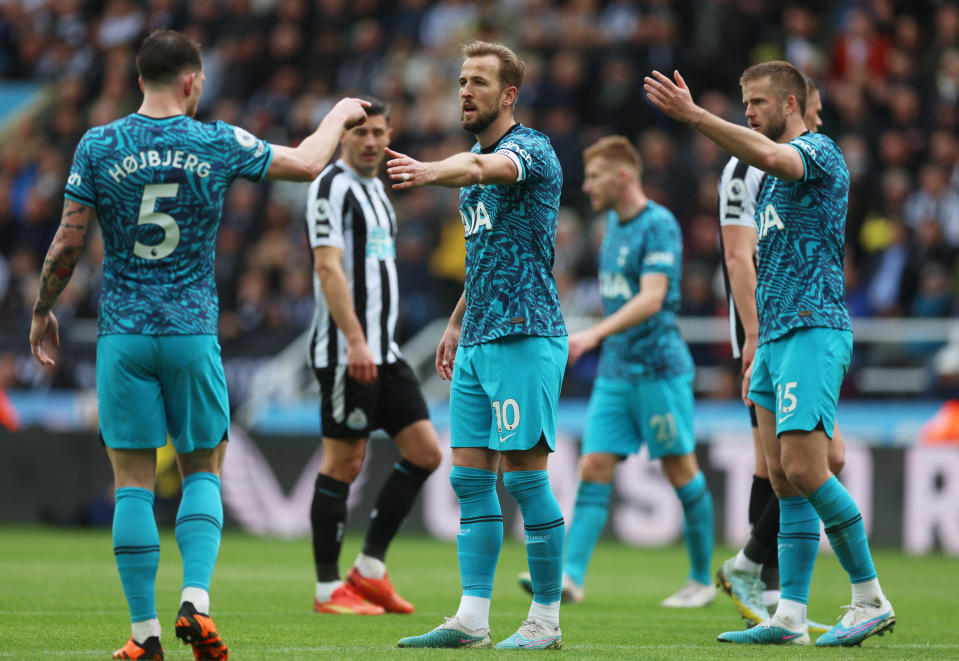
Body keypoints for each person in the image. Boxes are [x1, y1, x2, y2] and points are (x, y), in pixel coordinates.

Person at [28, 29, 367, 661]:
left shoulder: (99, 144)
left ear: (138, 81)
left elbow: (67, 243)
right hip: (190, 332)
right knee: (201, 468)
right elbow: (306, 161)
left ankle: (143, 636)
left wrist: (44, 308)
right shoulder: (216, 139)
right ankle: (196, 603)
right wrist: (342, 112)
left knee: (131, 481)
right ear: (191, 82)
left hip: (122, 335)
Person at [645, 61, 895, 647]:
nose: (749, 112)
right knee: (783, 480)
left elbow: (776, 157)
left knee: (810, 468)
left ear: (790, 104)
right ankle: (790, 617)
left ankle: (869, 596)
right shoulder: (769, 181)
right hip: (776, 337)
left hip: (813, 328)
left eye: (757, 103)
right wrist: (755, 338)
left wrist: (695, 116)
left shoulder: (819, 153)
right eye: (745, 103)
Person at [386, 41, 567, 650]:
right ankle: (472, 619)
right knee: (470, 481)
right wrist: (457, 321)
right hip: (479, 339)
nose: (465, 91)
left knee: (524, 479)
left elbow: (488, 170)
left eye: (479, 83)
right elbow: (487, 255)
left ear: (509, 94)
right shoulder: (471, 163)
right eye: (462, 81)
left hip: (525, 334)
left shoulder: (530, 151)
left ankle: (545, 620)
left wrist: (429, 171)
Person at [517, 135, 715, 609]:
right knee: (594, 464)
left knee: (679, 468)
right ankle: (571, 577)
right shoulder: (611, 226)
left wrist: (592, 334)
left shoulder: (658, 224)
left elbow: (651, 298)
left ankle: (701, 579)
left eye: (595, 176)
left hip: (659, 368)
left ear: (623, 175)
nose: (586, 186)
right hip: (617, 371)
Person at [713, 75, 846, 631]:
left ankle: (757, 577)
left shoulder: (805, 156)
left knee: (818, 463)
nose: (816, 123)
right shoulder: (748, 166)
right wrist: (751, 336)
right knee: (780, 467)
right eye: (813, 110)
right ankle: (769, 594)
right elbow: (740, 258)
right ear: (798, 106)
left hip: (800, 326)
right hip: (767, 330)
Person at [303, 95, 442, 616]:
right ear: (344, 135)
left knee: (425, 452)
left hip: (385, 352)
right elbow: (327, 269)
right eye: (360, 132)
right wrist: (356, 341)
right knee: (344, 462)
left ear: (388, 135)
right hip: (348, 350)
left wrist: (375, 345)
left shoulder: (379, 192)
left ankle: (370, 571)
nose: (370, 141)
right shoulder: (330, 188)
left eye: (379, 132)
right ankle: (326, 589)